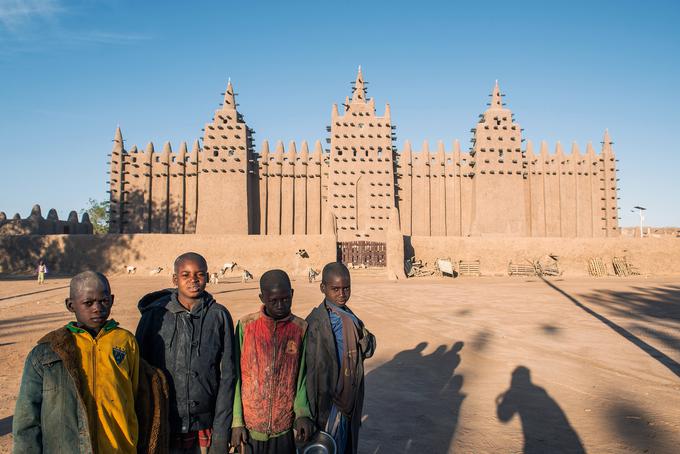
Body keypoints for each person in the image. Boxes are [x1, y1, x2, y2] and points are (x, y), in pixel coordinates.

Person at [12, 271, 165, 453]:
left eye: (104, 301)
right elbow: (27, 418)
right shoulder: (47, 353)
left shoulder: (125, 341)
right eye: (88, 303)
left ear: (112, 300)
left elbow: (135, 397)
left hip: (119, 448)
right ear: (71, 305)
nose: (97, 308)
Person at [136, 252, 236, 454]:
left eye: (200, 274)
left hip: (204, 424)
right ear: (175, 279)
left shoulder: (219, 316)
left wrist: (221, 431)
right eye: (186, 275)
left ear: (207, 277)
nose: (193, 280)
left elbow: (228, 376)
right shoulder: (155, 315)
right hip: (164, 422)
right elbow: (139, 371)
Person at [230, 269, 314, 454]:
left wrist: (302, 413)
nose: (280, 305)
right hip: (250, 428)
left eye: (285, 299)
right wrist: (237, 421)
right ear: (262, 298)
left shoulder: (300, 329)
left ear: (292, 294)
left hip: (283, 428)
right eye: (273, 300)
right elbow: (236, 376)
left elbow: (301, 377)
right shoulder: (246, 326)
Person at [305, 262, 376, 454]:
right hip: (330, 401)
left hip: (348, 396)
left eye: (346, 288)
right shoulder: (316, 323)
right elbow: (310, 371)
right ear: (323, 288)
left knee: (344, 444)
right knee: (329, 444)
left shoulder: (348, 315)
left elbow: (367, 348)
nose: (342, 294)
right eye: (335, 289)